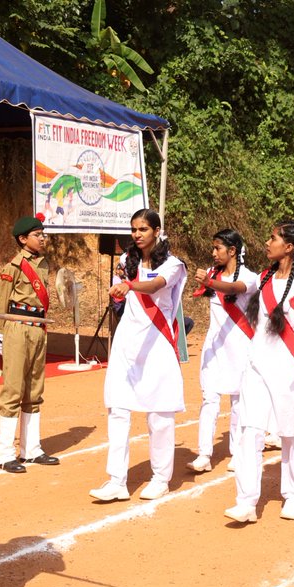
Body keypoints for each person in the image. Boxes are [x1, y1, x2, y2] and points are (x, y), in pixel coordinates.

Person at [224, 222, 294, 522]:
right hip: (257, 365)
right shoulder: (263, 277)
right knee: (249, 431)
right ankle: (246, 502)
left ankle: (293, 494)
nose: (267, 242)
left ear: (289, 247)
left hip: (290, 366)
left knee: (291, 433)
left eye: (273, 238)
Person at [91, 209, 186, 502]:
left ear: (157, 231)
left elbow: (155, 286)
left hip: (156, 344)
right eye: (134, 229)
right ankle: (117, 481)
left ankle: (161, 478)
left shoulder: (173, 265)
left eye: (143, 229)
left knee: (159, 414)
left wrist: (129, 285)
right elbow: (122, 293)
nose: (137, 234)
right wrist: (119, 290)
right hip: (126, 343)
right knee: (118, 409)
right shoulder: (125, 260)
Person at [0, 215, 60, 474]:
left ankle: (31, 449)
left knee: (34, 390)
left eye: (43, 234)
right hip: (17, 327)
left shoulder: (43, 263)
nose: (43, 238)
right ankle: (5, 453)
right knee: (13, 389)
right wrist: (1, 333)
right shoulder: (13, 266)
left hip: (37, 328)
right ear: (23, 239)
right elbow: (2, 301)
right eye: (37, 235)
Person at [190, 228, 257, 474]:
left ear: (232, 251)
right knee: (209, 398)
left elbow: (234, 288)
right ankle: (204, 454)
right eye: (213, 247)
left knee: (238, 400)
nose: (213, 252)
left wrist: (210, 282)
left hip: (240, 345)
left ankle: (238, 452)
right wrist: (208, 281)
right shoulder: (213, 273)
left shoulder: (250, 277)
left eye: (218, 248)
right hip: (214, 346)